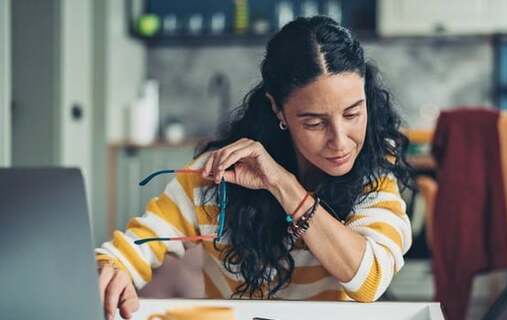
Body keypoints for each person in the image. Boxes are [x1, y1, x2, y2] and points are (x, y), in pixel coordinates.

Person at [95, 16, 413, 320]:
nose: (341, 142)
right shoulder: (219, 172)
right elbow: (137, 244)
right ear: (278, 109)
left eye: (353, 114)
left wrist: (283, 184)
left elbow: (370, 281)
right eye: (315, 122)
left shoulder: (375, 169)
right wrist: (114, 268)